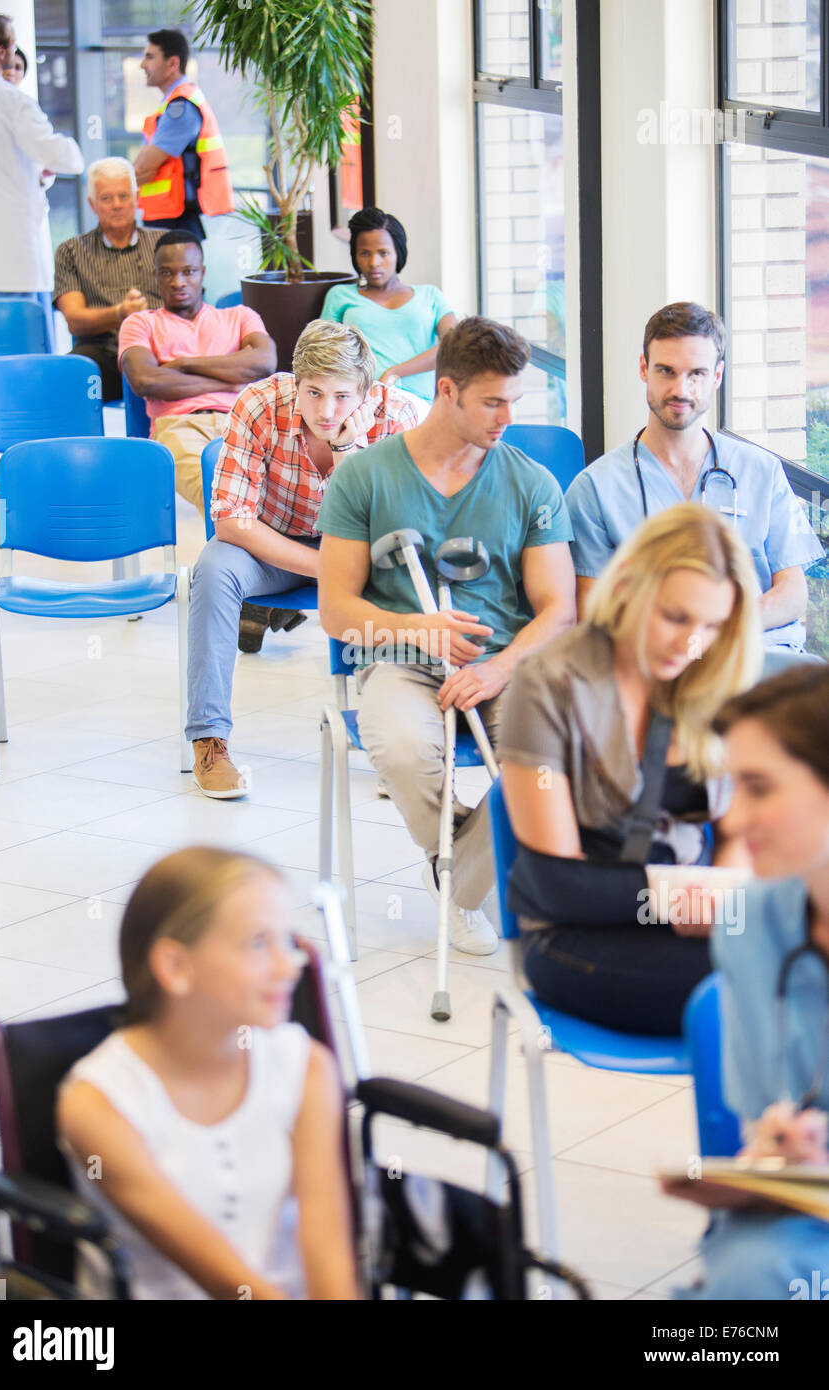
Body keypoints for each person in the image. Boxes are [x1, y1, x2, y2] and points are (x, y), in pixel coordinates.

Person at [317, 316, 577, 955]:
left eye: (515, 401)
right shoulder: (364, 476)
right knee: (404, 751)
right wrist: (419, 630)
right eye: (492, 402)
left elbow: (558, 610)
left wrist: (497, 669)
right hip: (399, 659)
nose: (506, 418)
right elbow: (336, 609)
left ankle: (454, 876)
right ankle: (469, 864)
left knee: (546, 762)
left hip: (504, 662)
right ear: (446, 391)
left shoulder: (531, 482)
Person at [498, 503, 764, 1035]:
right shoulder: (547, 683)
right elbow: (557, 886)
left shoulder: (716, 677)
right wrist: (680, 898)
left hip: (692, 914)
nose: (691, 643)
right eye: (675, 616)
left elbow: (740, 833)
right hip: (574, 934)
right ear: (628, 589)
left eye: (712, 625)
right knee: (776, 987)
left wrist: (724, 895)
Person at [56, 847, 358, 1300]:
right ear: (175, 966)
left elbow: (328, 1248)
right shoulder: (100, 1103)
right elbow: (224, 1280)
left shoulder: (306, 1068)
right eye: (259, 944)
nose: (287, 966)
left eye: (287, 942)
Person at [186, 319, 418, 798]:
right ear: (296, 383)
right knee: (212, 569)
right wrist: (324, 568)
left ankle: (396, 743)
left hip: (364, 551)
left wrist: (347, 451)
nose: (327, 411)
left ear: (365, 391)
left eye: (341, 396)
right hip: (272, 542)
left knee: (407, 575)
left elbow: (395, 527)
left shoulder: (398, 417)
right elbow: (232, 519)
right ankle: (210, 740)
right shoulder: (259, 404)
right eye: (313, 393)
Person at [666, 663, 829, 1299]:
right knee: (749, 1276)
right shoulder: (753, 929)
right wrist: (782, 1145)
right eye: (731, 791)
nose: (731, 825)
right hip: (803, 1228)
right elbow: (762, 1121)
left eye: (760, 789)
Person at [565, 302, 823, 652]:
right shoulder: (595, 488)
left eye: (696, 374)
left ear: (716, 376)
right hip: (657, 662)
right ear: (644, 368)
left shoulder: (762, 471)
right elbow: (592, 612)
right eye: (666, 371)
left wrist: (720, 630)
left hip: (760, 652)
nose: (681, 390)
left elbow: (792, 593)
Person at [118, 230, 276, 516]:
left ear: (202, 272)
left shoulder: (239, 316)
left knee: (282, 494)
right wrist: (231, 377)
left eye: (188, 271)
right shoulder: (139, 323)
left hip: (242, 422)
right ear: (155, 275)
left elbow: (265, 362)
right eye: (167, 273)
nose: (178, 282)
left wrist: (182, 364)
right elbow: (145, 381)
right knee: (222, 498)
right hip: (179, 426)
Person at [0, 13, 83, 347]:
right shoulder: (13, 101)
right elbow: (65, 158)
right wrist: (68, 151)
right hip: (11, 253)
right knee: (23, 348)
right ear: (2, 51)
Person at [320, 207, 457, 404]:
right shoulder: (340, 296)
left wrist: (395, 372)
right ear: (355, 257)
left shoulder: (430, 295)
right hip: (361, 400)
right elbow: (323, 353)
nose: (374, 262)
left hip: (418, 403)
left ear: (398, 253)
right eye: (365, 253)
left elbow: (454, 347)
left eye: (383, 253)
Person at [53, 159, 162, 402]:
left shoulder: (163, 245)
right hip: (104, 353)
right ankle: (80, 440)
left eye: (124, 196)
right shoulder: (71, 251)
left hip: (162, 351)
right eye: (106, 198)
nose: (117, 205)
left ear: (136, 197)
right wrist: (121, 312)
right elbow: (75, 321)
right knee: (67, 376)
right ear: (92, 204)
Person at [134, 28, 233, 240]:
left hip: (175, 220)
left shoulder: (181, 107)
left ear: (172, 64)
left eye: (150, 57)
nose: (142, 65)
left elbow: (143, 167)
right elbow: (141, 167)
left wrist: (138, 170)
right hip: (166, 216)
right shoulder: (171, 104)